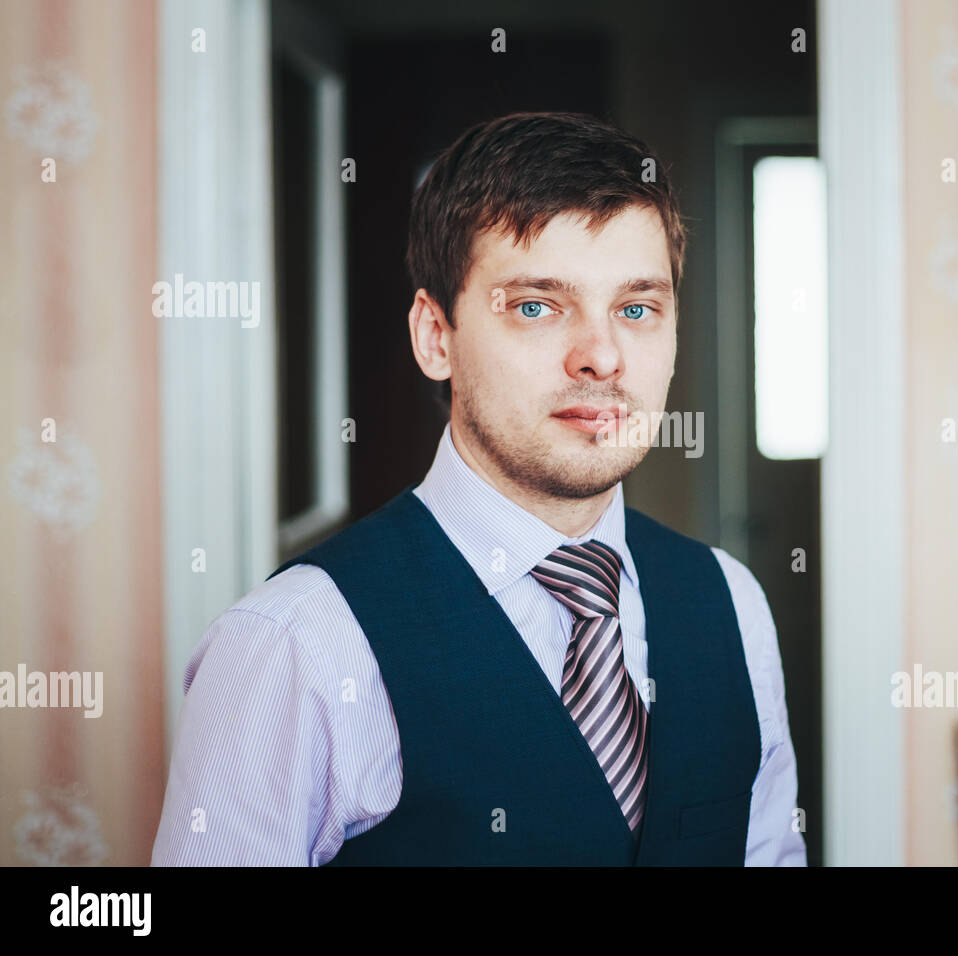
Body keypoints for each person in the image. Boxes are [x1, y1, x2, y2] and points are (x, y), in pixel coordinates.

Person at [151, 111, 806, 866]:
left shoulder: (732, 604)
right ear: (436, 336)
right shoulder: (293, 645)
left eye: (636, 308)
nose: (602, 356)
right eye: (536, 306)